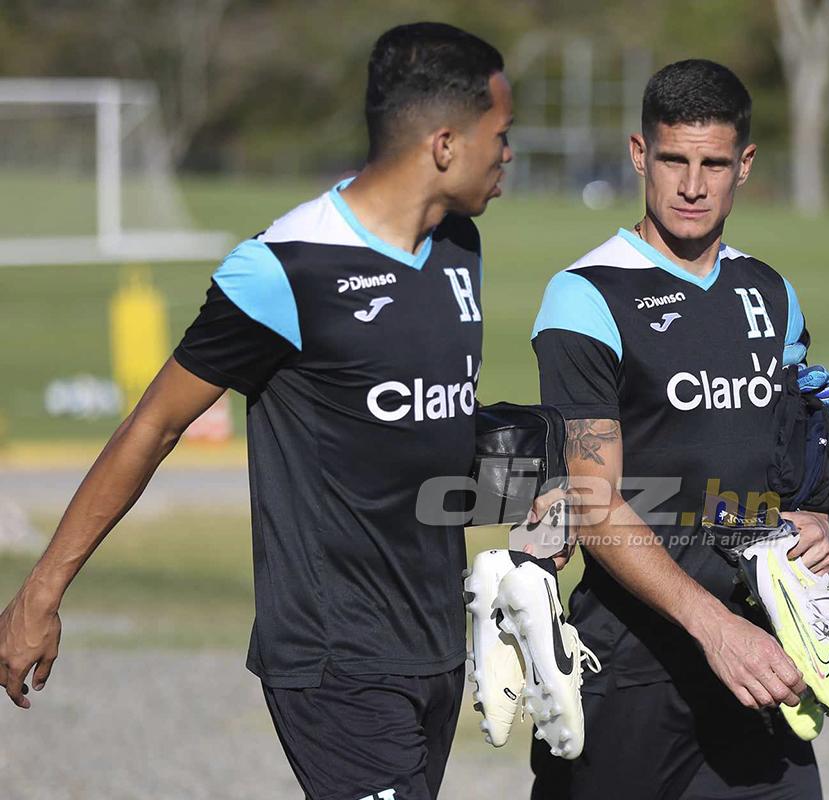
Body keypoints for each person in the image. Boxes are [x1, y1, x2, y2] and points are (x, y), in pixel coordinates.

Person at [0, 22, 512, 800]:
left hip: (436, 647)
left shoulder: (459, 247)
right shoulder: (285, 269)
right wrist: (42, 592)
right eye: (500, 135)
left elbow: (432, 433)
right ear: (444, 144)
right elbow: (154, 426)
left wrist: (549, 493)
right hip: (335, 660)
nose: (509, 155)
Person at [528, 59, 829, 798]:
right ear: (640, 154)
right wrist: (713, 628)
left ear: (744, 165)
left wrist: (819, 517)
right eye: (674, 160)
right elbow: (593, 501)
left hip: (760, 652)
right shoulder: (586, 297)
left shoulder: (770, 293)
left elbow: (789, 454)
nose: (693, 185)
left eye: (714, 164)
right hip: (632, 666)